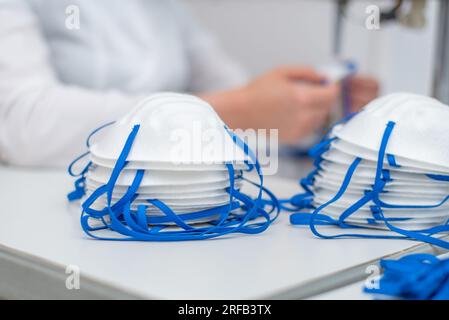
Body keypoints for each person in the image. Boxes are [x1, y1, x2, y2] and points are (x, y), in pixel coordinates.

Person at [0, 0, 378, 167]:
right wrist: (242, 109)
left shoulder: (166, 8)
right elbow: (24, 125)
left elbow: (237, 93)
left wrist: (315, 105)